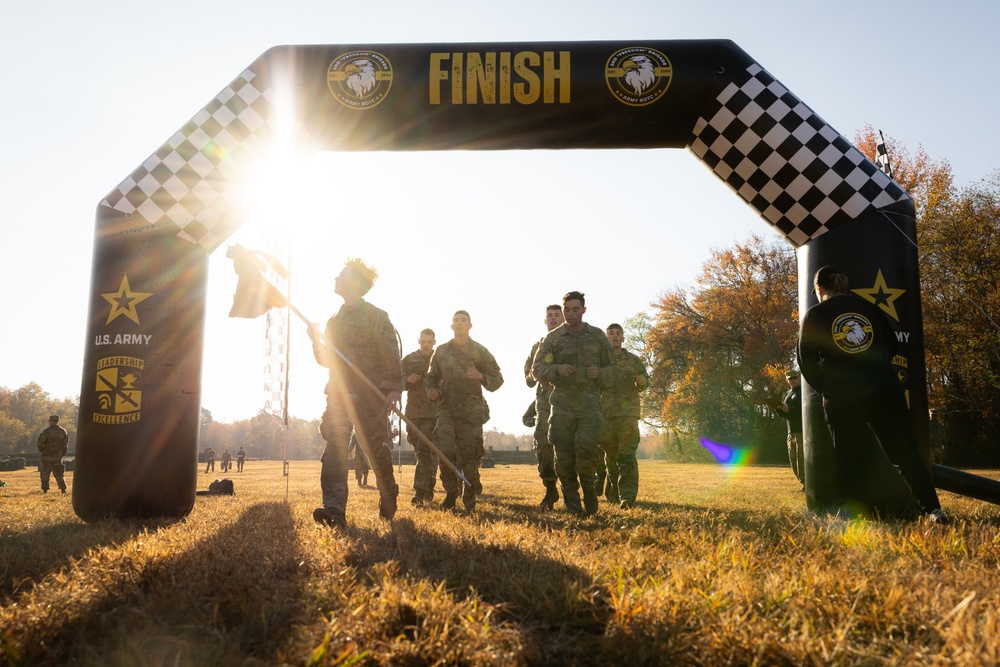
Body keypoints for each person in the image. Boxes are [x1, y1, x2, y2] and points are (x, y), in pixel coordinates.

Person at [797, 265, 948, 523]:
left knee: (847, 456)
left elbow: (806, 361)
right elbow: (893, 345)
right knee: (905, 453)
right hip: (884, 389)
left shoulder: (817, 314)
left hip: (843, 397)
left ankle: (851, 517)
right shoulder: (870, 308)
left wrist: (830, 386)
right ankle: (933, 510)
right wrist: (875, 372)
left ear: (820, 288)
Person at [308, 257, 403, 530]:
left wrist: (394, 388)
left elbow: (389, 353)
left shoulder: (376, 316)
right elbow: (327, 360)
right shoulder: (334, 320)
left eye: (342, 274)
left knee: (372, 448)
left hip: (369, 392)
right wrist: (315, 338)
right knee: (336, 446)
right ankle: (334, 509)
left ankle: (388, 491)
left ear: (356, 283)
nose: (336, 277)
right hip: (338, 392)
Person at [532, 291, 615, 516]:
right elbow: (536, 369)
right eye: (567, 310)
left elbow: (614, 371)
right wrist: (556, 369)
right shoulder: (553, 339)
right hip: (562, 403)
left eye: (575, 310)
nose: (570, 314)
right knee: (564, 459)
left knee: (587, 455)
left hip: (589, 403)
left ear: (584, 310)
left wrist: (599, 373)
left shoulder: (597, 337)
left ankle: (589, 493)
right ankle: (573, 508)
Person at [426, 310, 504, 513]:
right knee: (445, 451)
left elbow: (497, 380)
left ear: (470, 326)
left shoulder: (480, 351)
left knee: (470, 457)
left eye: (463, 321)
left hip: (471, 413)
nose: (459, 324)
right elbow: (431, 377)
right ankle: (451, 493)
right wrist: (432, 390)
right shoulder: (441, 351)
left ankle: (470, 499)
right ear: (451, 326)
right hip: (446, 410)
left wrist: (481, 376)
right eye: (456, 321)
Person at [600, 323, 650, 509]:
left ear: (623, 338)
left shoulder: (633, 360)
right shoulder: (600, 361)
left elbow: (644, 382)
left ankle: (627, 497)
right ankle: (614, 493)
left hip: (628, 415)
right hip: (605, 415)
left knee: (626, 456)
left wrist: (643, 381)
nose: (614, 336)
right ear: (606, 338)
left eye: (618, 334)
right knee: (611, 458)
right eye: (611, 334)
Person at [524, 304, 565, 510]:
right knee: (542, 443)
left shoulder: (574, 343)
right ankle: (550, 488)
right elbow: (528, 379)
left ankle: (571, 490)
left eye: (557, 315)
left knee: (569, 447)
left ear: (564, 318)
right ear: (545, 320)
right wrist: (532, 375)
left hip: (569, 402)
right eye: (550, 316)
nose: (553, 319)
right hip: (544, 404)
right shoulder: (536, 347)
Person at [402, 328, 440, 505]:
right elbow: (395, 380)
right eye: (423, 342)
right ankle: (429, 484)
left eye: (429, 342)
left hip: (433, 415)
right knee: (422, 452)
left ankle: (419, 492)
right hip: (413, 414)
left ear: (434, 342)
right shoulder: (410, 360)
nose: (426, 345)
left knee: (425, 452)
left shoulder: (440, 359)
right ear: (419, 341)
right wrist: (406, 380)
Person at [776, 369, 804, 487]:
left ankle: (806, 485)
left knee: (802, 459)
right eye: (790, 379)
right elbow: (786, 414)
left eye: (795, 378)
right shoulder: (788, 394)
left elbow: (806, 411)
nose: (793, 380)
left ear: (798, 378)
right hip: (791, 432)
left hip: (801, 432)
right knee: (793, 460)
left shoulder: (803, 392)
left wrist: (790, 410)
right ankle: (802, 482)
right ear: (787, 381)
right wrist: (779, 409)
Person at [37, 415, 68, 494]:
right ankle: (63, 489)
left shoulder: (46, 431)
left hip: (46, 456)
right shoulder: (63, 431)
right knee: (59, 473)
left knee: (45, 473)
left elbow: (40, 443)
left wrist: (42, 450)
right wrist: (62, 454)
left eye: (49, 420)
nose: (49, 422)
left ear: (52, 421)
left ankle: (45, 490)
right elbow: (65, 444)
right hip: (57, 456)